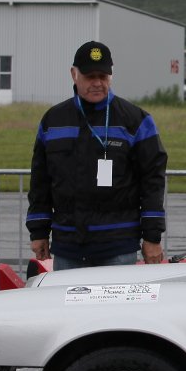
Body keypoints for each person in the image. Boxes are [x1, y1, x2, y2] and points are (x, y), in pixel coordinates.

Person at [27, 41, 168, 270]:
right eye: (90, 76)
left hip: (118, 247)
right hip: (67, 246)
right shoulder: (52, 121)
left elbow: (153, 181)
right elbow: (40, 182)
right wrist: (38, 231)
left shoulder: (137, 121)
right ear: (74, 74)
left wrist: (152, 237)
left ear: (111, 76)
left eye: (103, 76)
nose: (97, 83)